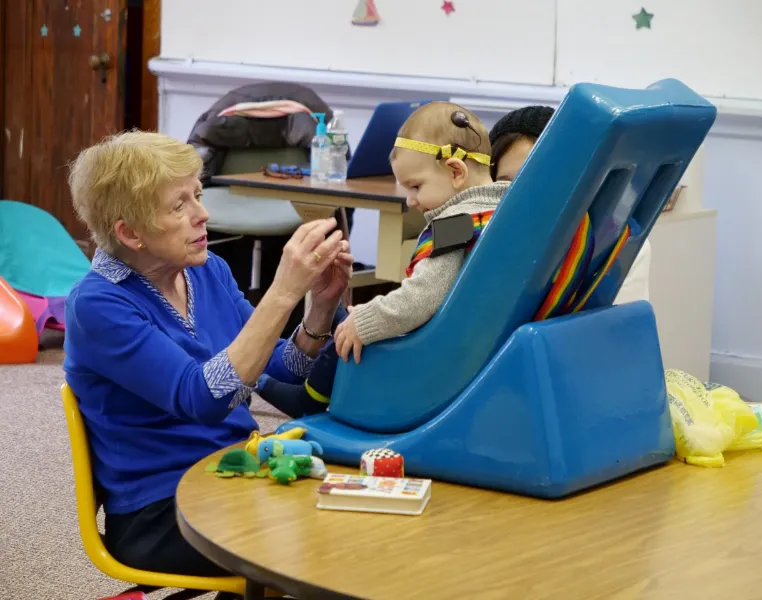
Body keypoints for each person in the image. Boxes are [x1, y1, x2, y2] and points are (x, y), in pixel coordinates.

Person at [63, 131, 353, 585]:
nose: (203, 215)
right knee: (322, 540)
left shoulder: (207, 270)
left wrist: (318, 306)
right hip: (159, 512)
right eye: (179, 206)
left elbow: (282, 368)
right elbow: (201, 397)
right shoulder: (97, 305)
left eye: (197, 194)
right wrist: (283, 292)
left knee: (354, 508)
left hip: (232, 473)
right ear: (130, 233)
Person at [262, 102, 511, 409]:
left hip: (438, 353)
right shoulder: (503, 211)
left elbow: (422, 297)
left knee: (351, 334)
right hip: (475, 343)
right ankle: (342, 320)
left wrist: (366, 321)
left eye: (416, 186)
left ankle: (310, 397)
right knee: (353, 318)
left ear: (456, 171)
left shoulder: (456, 224)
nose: (411, 201)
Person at [489, 105, 652, 305]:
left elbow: (617, 331)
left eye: (540, 184)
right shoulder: (477, 242)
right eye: (507, 185)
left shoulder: (618, 246)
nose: (525, 200)